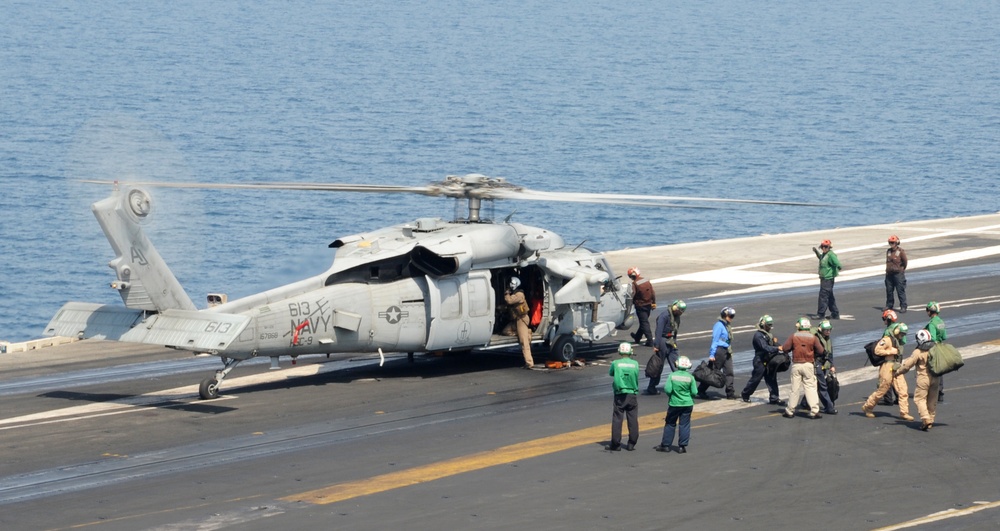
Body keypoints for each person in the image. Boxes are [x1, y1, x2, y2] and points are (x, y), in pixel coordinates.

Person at [862, 323, 913, 420]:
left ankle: (904, 412)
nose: (902, 336)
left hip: (896, 367)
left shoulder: (898, 342)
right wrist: (890, 351)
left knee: (903, 390)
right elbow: (877, 350)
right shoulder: (887, 340)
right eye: (901, 333)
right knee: (882, 390)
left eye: (903, 334)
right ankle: (868, 407)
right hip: (887, 367)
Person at [894, 329, 940, 430]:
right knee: (932, 400)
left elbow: (907, 366)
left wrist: (897, 372)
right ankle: (931, 419)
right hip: (936, 377)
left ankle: (925, 418)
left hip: (923, 378)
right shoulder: (936, 348)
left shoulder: (918, 351)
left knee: (919, 399)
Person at [781, 317, 825, 419]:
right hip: (808, 365)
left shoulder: (793, 336)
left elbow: (785, 348)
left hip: (796, 364)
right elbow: (821, 351)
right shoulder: (813, 337)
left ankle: (790, 411)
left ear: (799, 326)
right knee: (810, 388)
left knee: (794, 389)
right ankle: (814, 411)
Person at [654, 355, 698, 454]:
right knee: (685, 424)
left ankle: (666, 445)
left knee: (670, 423)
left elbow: (667, 389)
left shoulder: (672, 376)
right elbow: (694, 392)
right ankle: (682, 446)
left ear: (677, 365)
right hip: (687, 404)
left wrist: (673, 396)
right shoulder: (690, 377)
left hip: (674, 403)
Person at [740, 315, 785, 405]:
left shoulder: (767, 335)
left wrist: (776, 344)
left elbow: (773, 345)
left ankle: (774, 398)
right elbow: (765, 347)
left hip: (769, 360)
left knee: (772, 379)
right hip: (760, 360)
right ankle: (745, 394)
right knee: (756, 379)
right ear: (763, 324)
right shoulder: (758, 335)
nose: (769, 327)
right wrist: (777, 348)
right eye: (768, 325)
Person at [644, 300, 686, 395]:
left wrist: (674, 342)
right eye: (680, 310)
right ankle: (651, 387)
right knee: (659, 365)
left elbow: (675, 330)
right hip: (663, 341)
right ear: (675, 308)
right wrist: (656, 345)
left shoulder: (677, 316)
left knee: (677, 363)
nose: (681, 313)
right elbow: (658, 331)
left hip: (671, 341)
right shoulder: (664, 316)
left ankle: (680, 385)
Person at [697, 306, 737, 400]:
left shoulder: (727, 326)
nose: (731, 318)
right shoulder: (719, 325)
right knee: (712, 372)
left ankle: (730, 393)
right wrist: (712, 354)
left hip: (727, 351)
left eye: (732, 316)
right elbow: (715, 340)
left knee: (729, 372)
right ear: (724, 315)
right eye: (730, 316)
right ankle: (701, 390)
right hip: (719, 351)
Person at [608, 342, 640, 451]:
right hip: (632, 394)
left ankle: (616, 444)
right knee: (632, 419)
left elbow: (611, 373)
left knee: (617, 418)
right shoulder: (635, 364)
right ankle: (632, 443)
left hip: (619, 394)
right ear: (631, 352)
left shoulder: (616, 363)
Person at [504, 277, 534, 369]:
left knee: (524, 342)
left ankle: (529, 363)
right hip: (517, 320)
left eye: (512, 284)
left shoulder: (519, 294)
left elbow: (509, 301)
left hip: (522, 319)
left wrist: (506, 293)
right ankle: (525, 332)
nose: (510, 286)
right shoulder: (515, 294)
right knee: (506, 331)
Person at [812, 319, 838, 414]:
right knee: (822, 386)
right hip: (817, 364)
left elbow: (830, 353)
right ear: (821, 329)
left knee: (816, 384)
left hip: (824, 364)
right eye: (826, 330)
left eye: (829, 329)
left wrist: (832, 365)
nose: (828, 331)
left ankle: (804, 403)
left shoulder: (828, 339)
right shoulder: (816, 338)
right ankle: (829, 407)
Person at [812, 239, 842, 320]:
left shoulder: (831, 255)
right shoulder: (824, 255)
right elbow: (821, 258)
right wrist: (816, 252)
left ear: (829, 247)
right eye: (822, 247)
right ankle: (835, 313)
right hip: (824, 279)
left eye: (825, 247)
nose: (824, 248)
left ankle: (821, 314)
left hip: (828, 279)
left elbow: (837, 263)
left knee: (823, 296)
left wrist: (838, 268)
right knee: (829, 296)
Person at [924, 301, 948, 401]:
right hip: (941, 347)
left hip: (933, 349)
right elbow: (944, 336)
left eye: (928, 310)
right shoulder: (941, 322)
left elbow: (932, 338)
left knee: (931, 371)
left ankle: (934, 392)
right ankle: (941, 392)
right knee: (940, 370)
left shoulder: (932, 324)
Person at [628, 267, 656, 347]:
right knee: (644, 322)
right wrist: (654, 303)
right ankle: (637, 337)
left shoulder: (635, 284)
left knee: (644, 323)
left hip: (640, 306)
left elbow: (632, 295)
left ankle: (650, 340)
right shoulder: (646, 280)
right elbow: (652, 293)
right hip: (649, 305)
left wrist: (629, 304)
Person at [884, 235, 908, 313]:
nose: (891, 244)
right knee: (889, 290)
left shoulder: (901, 251)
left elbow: (905, 262)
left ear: (896, 243)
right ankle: (889, 305)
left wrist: (901, 269)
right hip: (889, 275)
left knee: (900, 290)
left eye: (892, 242)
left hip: (898, 275)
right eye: (890, 242)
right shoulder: (888, 251)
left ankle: (903, 306)